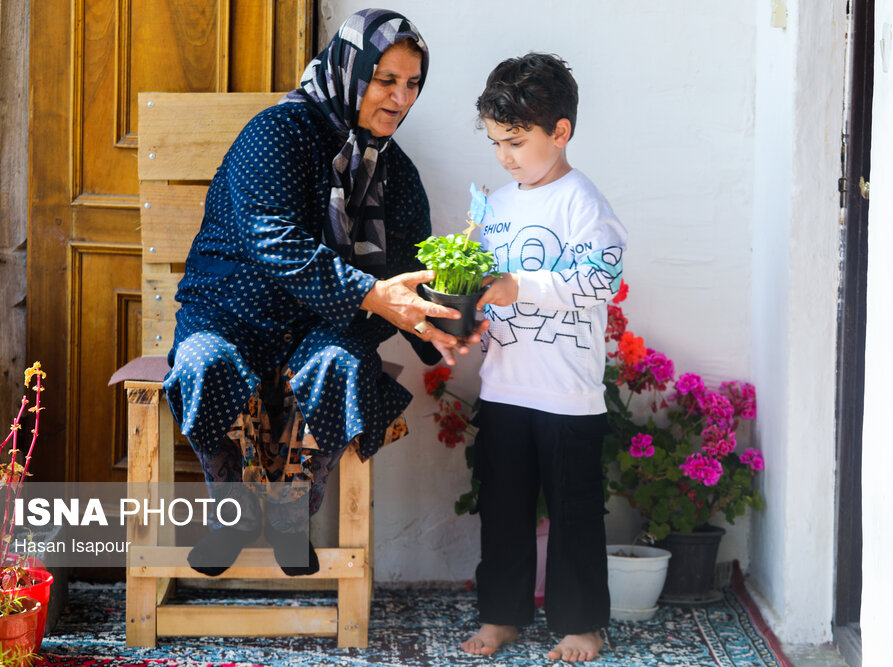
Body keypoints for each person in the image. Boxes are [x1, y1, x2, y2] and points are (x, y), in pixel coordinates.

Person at [163, 8, 483, 577]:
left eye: (412, 84)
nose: (400, 98)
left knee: (341, 363)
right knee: (202, 363)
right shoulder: (277, 133)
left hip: (324, 324)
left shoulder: (396, 172)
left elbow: (412, 266)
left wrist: (437, 323)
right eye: (386, 80)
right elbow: (275, 242)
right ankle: (231, 511)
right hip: (235, 307)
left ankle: (291, 514)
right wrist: (377, 295)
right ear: (351, 70)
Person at [460, 53, 627, 663]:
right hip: (505, 388)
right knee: (501, 507)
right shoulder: (497, 204)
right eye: (496, 142)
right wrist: (466, 310)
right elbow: (480, 279)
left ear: (561, 132)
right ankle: (502, 614)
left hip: (567, 394)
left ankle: (581, 623)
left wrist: (520, 287)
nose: (505, 156)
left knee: (574, 511)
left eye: (517, 141)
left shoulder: (583, 202)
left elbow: (600, 279)